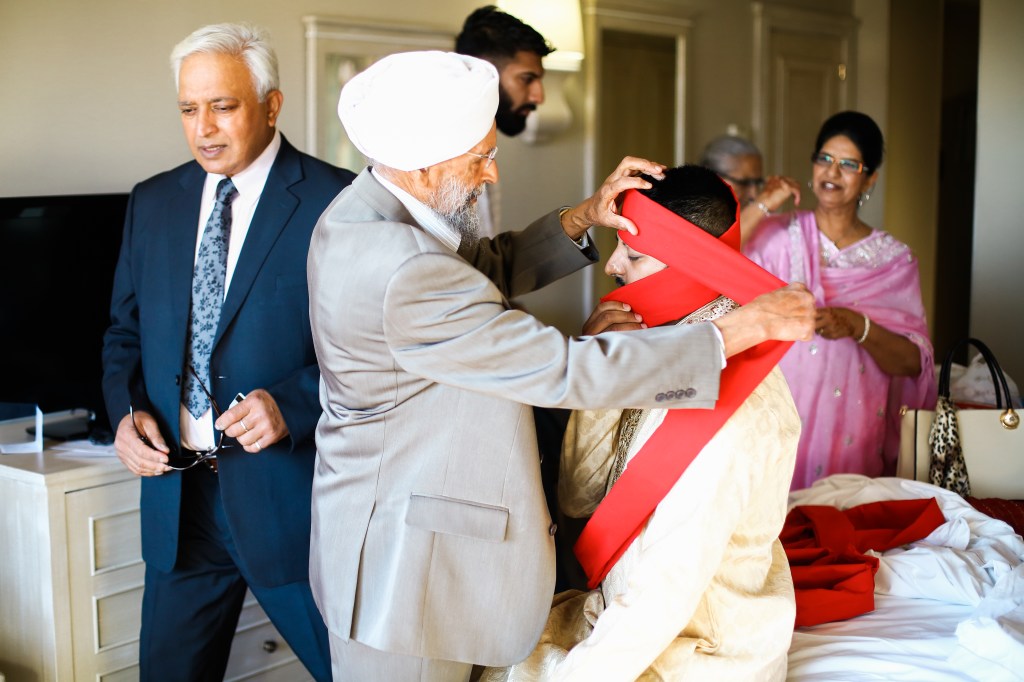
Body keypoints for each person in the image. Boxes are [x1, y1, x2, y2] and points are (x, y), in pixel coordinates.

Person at [306, 50, 814, 681]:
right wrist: (736, 333)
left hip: (411, 529)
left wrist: (584, 215)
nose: (492, 174)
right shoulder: (401, 266)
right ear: (424, 166)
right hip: (409, 565)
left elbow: (476, 270)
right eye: (480, 159)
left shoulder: (366, 208)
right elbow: (561, 370)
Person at [101, 22, 355, 681]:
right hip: (180, 507)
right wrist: (127, 415)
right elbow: (124, 335)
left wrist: (294, 404)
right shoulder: (152, 202)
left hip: (292, 503)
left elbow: (378, 349)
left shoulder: (340, 201)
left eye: (223, 105)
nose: (204, 128)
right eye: (189, 109)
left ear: (272, 105)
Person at [479, 165, 800, 682]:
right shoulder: (652, 343)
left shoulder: (742, 408)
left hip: (698, 649)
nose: (610, 266)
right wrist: (600, 368)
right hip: (619, 614)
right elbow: (579, 497)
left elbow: (664, 594)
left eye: (633, 254)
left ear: (687, 265)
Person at [743, 110, 937, 490]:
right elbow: (715, 259)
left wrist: (857, 325)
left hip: (854, 430)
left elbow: (913, 362)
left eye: (849, 164)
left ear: (870, 178)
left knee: (841, 518)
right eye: (825, 159)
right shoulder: (775, 236)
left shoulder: (894, 261)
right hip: (778, 422)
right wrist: (764, 202)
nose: (832, 172)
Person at [455, 5, 552, 236]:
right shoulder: (442, 157)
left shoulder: (485, 148)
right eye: (527, 79)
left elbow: (483, 250)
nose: (539, 97)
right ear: (484, 72)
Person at [700, 134, 802, 245]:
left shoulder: (766, 227)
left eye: (757, 183)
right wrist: (762, 204)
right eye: (744, 183)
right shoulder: (691, 221)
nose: (754, 194)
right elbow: (717, 251)